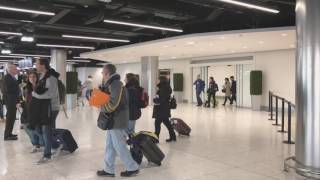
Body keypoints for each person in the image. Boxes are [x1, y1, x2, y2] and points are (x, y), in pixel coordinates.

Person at [97, 64, 139, 178]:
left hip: (117, 120)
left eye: (102, 73)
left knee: (119, 146)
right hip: (113, 120)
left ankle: (132, 167)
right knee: (110, 145)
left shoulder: (116, 84)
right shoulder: (112, 84)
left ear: (107, 73)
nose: (102, 75)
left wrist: (99, 104)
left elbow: (112, 104)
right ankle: (108, 169)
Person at [28, 59, 59, 164]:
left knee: (46, 131)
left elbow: (52, 95)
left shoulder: (51, 78)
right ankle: (56, 145)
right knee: (43, 130)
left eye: (37, 64)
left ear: (43, 65)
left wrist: (34, 94)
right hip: (44, 108)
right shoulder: (42, 76)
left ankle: (47, 155)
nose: (35, 66)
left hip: (51, 108)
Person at [22, 72, 44, 152]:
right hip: (28, 111)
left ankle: (43, 144)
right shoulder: (27, 88)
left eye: (34, 77)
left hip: (37, 112)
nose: (32, 78)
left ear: (37, 78)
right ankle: (35, 144)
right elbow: (26, 101)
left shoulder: (40, 87)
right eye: (30, 77)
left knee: (37, 129)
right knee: (27, 128)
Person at [153, 76, 176, 142]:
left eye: (158, 80)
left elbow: (161, 99)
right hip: (164, 109)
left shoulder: (164, 88)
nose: (157, 81)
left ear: (161, 80)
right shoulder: (165, 87)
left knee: (157, 123)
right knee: (167, 123)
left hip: (161, 109)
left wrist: (155, 100)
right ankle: (173, 136)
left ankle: (156, 139)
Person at [3, 63, 20, 141]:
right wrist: (17, 90)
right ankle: (7, 136)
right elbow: (7, 90)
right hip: (10, 101)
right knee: (10, 118)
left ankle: (10, 133)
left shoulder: (12, 77)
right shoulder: (7, 78)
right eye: (14, 69)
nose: (16, 70)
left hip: (13, 101)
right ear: (10, 70)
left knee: (12, 118)